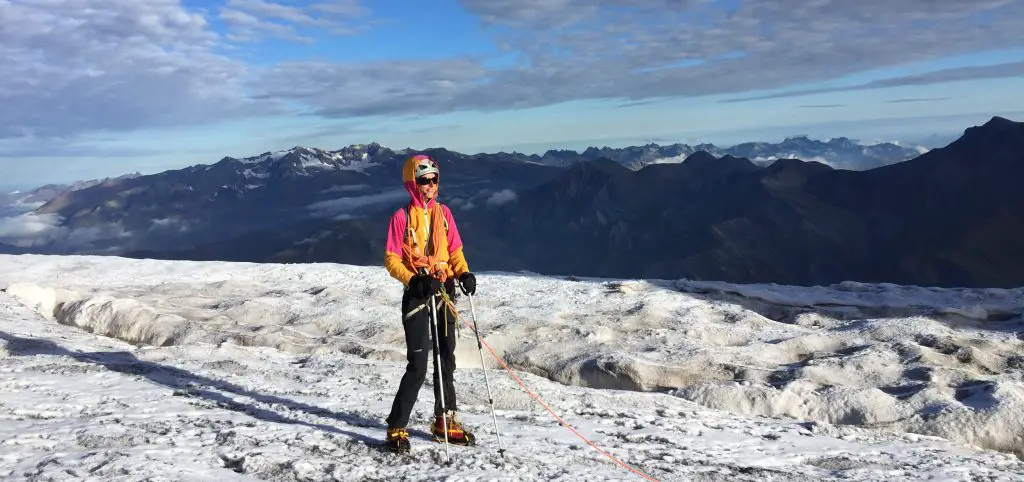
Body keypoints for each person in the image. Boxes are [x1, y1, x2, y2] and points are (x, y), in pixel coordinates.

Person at [382, 153, 478, 452]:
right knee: (419, 364)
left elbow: (455, 250)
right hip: (419, 293)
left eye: (435, 179)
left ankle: (444, 420)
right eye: (425, 180)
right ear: (413, 183)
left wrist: (463, 272)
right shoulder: (401, 217)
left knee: (446, 359)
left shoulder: (444, 214)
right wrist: (414, 280)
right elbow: (392, 260)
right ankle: (397, 426)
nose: (431, 185)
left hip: (444, 289)